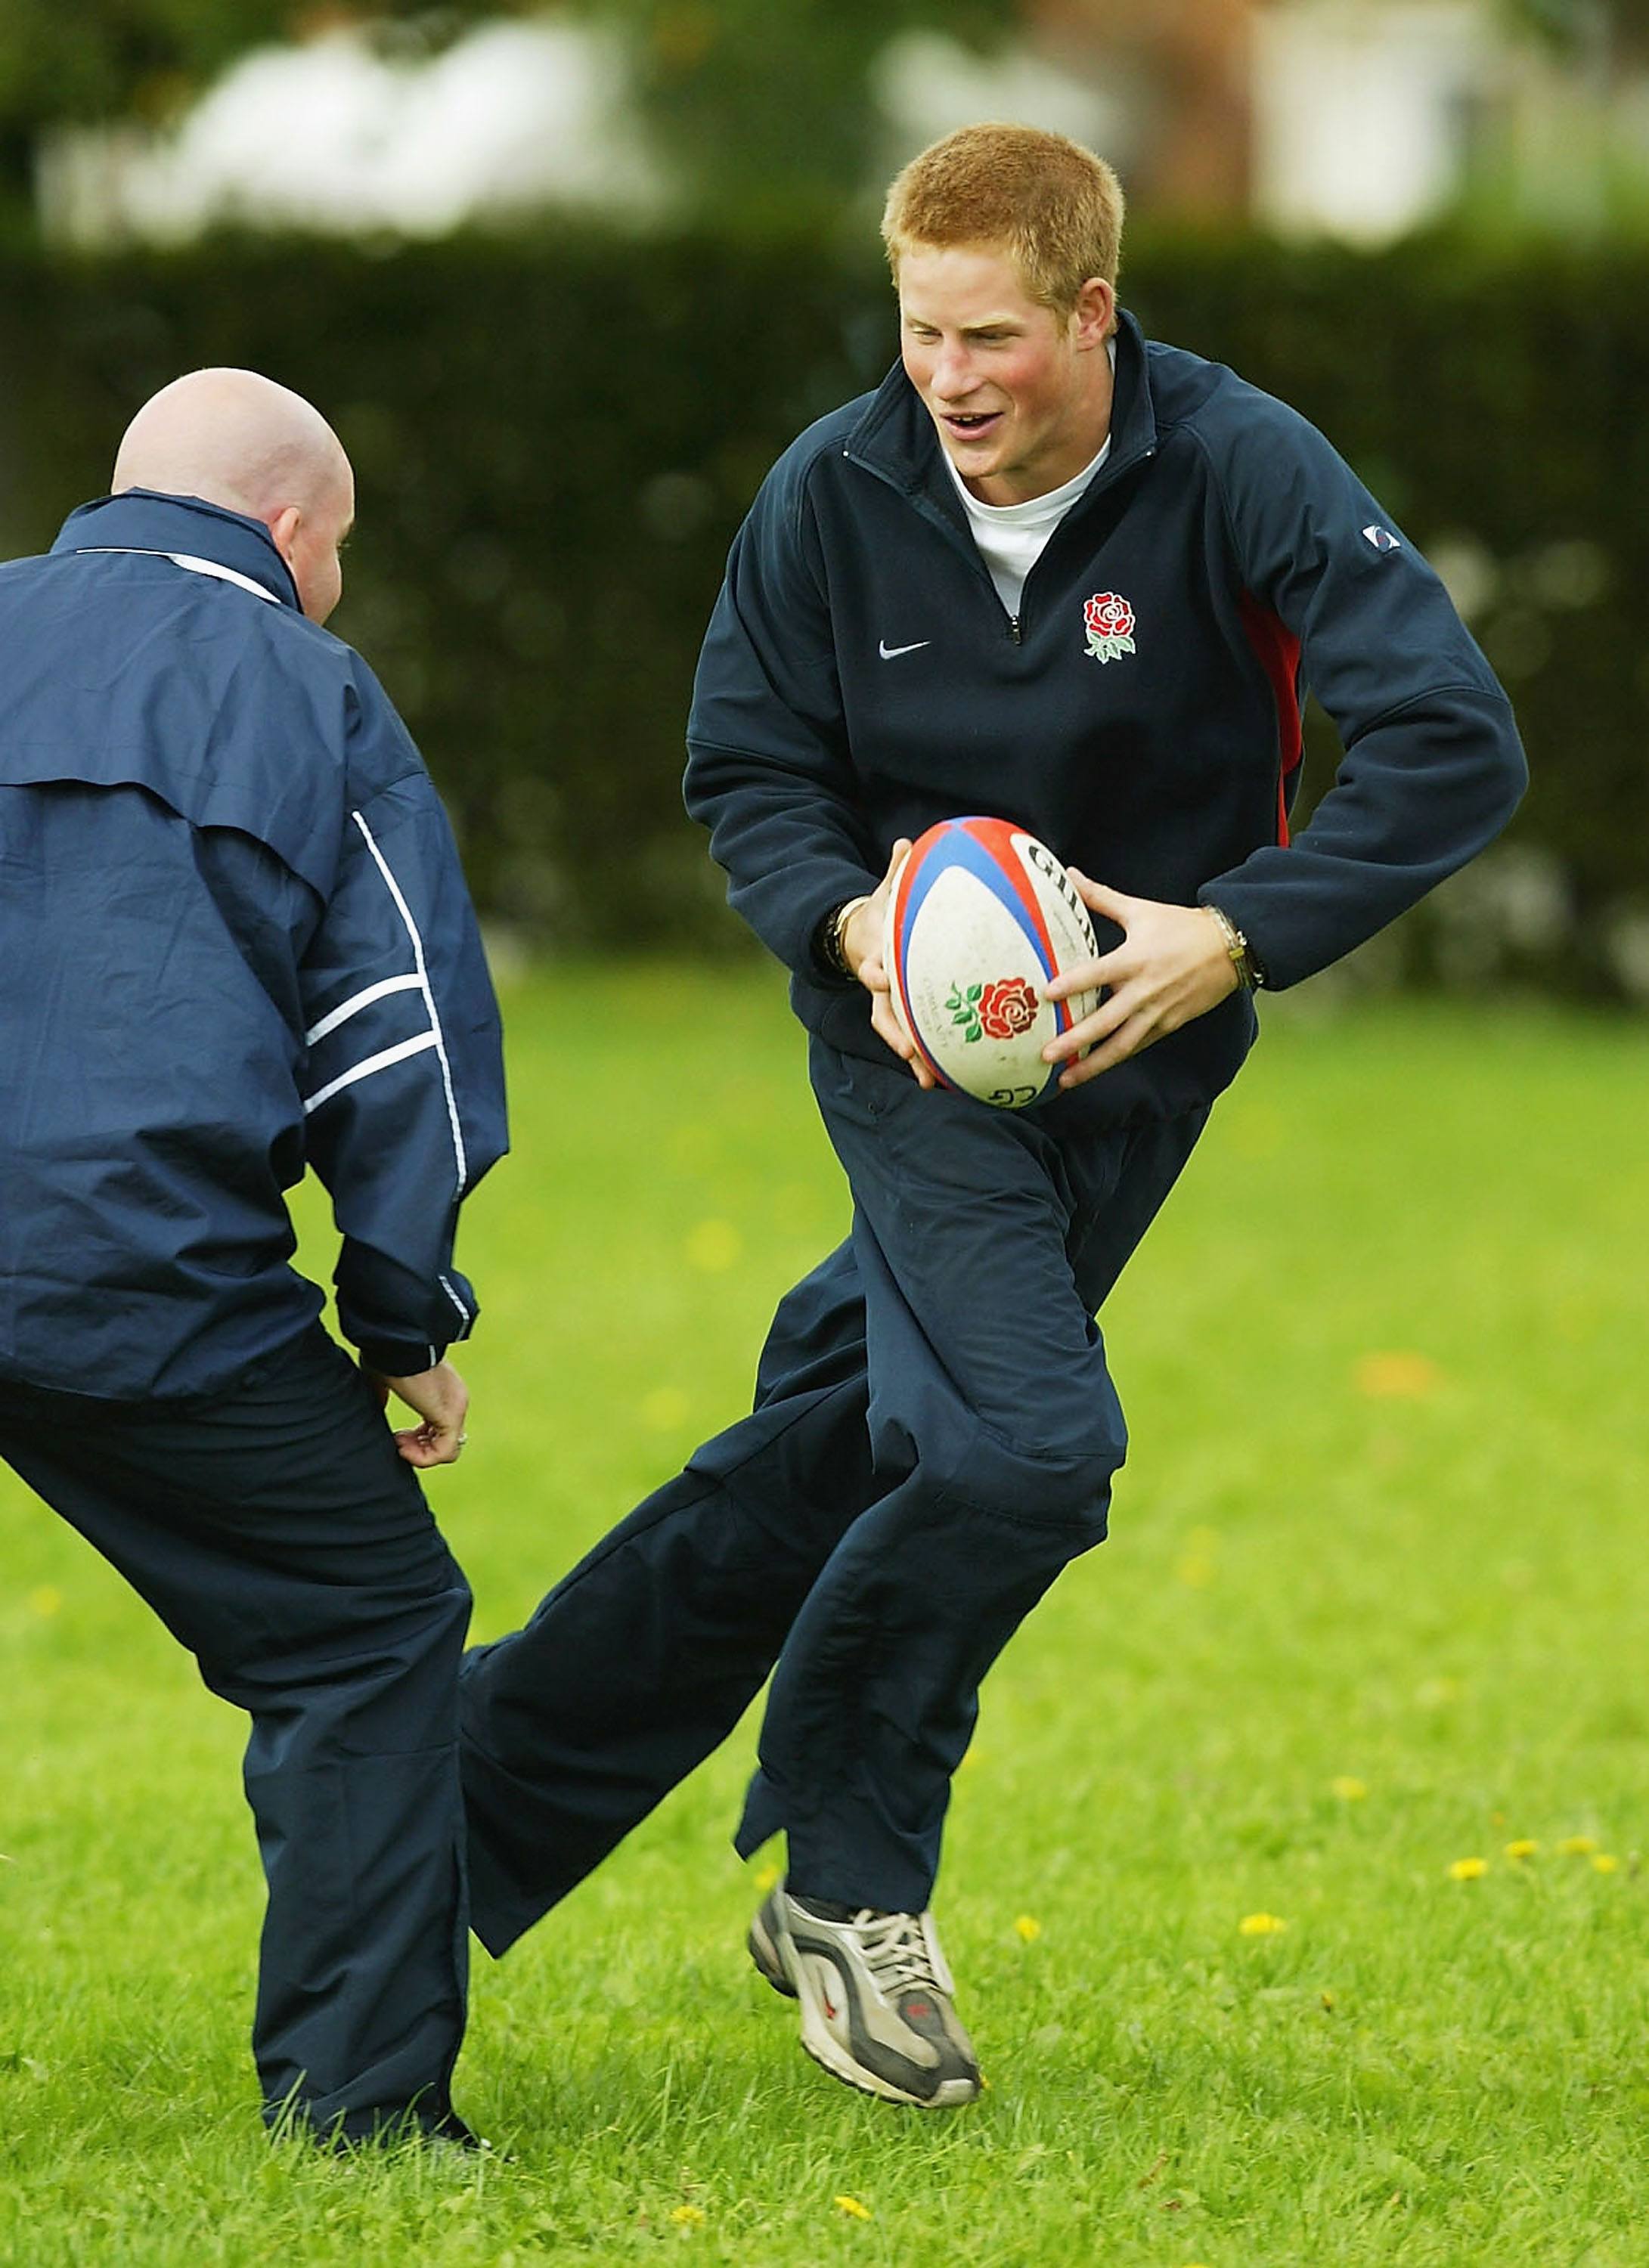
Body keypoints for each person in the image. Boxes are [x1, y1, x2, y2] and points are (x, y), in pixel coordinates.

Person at [457, 124, 1526, 2107]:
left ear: (1091, 315)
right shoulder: (828, 494)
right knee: (1027, 1450)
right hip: (913, 1060)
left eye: (990, 337)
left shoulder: (1237, 469)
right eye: (917, 329)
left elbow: (1452, 736)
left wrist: (1234, 930)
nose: (946, 377)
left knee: (845, 1435)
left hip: (1144, 1060)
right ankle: (844, 1888)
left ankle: (443, 1797)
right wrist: (852, 918)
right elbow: (746, 773)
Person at [0, 370, 507, 2146]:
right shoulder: (311, 690)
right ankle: (359, 2116)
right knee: (367, 1627)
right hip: (131, 1280)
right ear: (294, 531)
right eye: (340, 550)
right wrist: (401, 1315)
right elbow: (403, 1045)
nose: (337, 582)